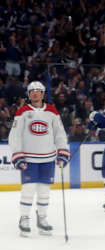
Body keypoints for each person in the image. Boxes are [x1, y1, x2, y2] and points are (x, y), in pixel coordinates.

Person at [8, 81, 70, 237]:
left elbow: (60, 133)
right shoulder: (22, 111)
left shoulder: (52, 111)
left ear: (43, 94)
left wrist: (62, 151)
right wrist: (17, 154)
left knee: (44, 190)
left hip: (48, 158)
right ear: (28, 94)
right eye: (32, 91)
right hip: (29, 159)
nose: (35, 93)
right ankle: (24, 218)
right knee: (28, 189)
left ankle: (42, 218)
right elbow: (15, 135)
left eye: (38, 91)